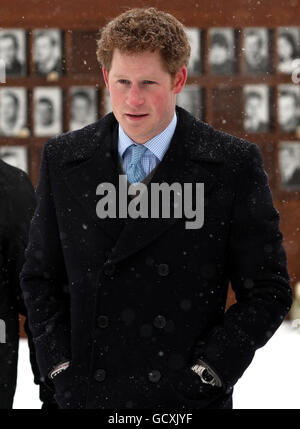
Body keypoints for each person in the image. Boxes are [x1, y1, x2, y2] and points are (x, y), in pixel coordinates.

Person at [20, 7, 292, 410]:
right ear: (105, 79)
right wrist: (58, 369)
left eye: (148, 82)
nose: (133, 99)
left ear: (178, 78)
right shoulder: (64, 159)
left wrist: (209, 372)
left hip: (182, 402)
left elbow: (269, 291)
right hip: (82, 398)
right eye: (122, 82)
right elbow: (40, 278)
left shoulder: (231, 165)